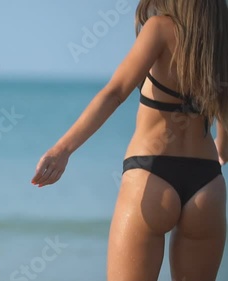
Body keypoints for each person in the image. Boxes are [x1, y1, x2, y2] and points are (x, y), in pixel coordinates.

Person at [31, 1, 228, 280]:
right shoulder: (221, 41)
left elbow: (115, 93)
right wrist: (221, 149)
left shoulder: (159, 29)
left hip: (151, 175)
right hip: (208, 184)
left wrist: (62, 149)